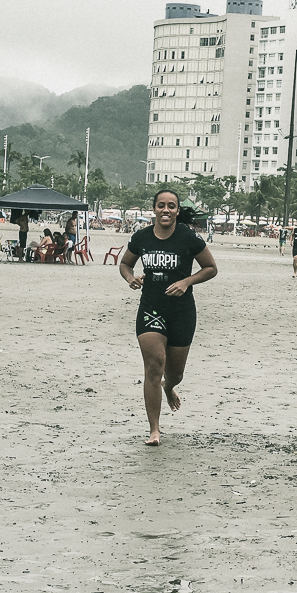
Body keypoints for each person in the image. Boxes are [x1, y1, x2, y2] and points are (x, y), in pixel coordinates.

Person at [119, 188, 217, 446]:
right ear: (154, 209)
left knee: (175, 373)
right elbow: (125, 264)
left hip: (182, 311)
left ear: (176, 210)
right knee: (154, 365)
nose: (166, 210)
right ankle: (154, 429)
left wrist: (187, 281)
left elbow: (210, 268)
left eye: (171, 206)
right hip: (151, 307)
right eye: (161, 205)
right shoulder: (141, 237)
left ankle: (169, 386)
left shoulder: (188, 238)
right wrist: (131, 278)